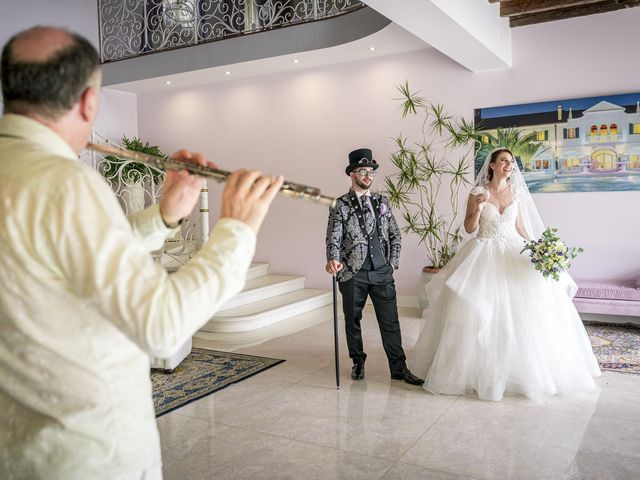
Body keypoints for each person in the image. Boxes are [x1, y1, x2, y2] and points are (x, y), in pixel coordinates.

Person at [0, 26, 283, 479]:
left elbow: (69, 258)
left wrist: (165, 216)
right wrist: (235, 229)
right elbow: (163, 324)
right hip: (89, 455)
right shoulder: (66, 183)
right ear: (89, 102)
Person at [411, 148, 601, 401]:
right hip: (483, 253)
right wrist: (478, 208)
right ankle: (475, 370)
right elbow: (469, 228)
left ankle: (519, 369)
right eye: (504, 161)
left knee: (521, 315)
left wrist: (541, 251)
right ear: (491, 165)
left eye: (511, 162)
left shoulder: (517, 193)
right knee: (480, 312)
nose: (509, 165)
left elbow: (521, 228)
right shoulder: (478, 192)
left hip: (513, 252)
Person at [325, 148, 424, 386]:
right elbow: (333, 236)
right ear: (352, 174)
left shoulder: (382, 202)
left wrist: (392, 263)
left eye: (371, 172)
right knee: (353, 320)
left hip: (381, 271)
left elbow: (395, 235)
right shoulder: (340, 204)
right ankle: (358, 361)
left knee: (390, 322)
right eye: (363, 171)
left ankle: (399, 368)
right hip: (352, 272)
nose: (368, 176)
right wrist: (332, 258)